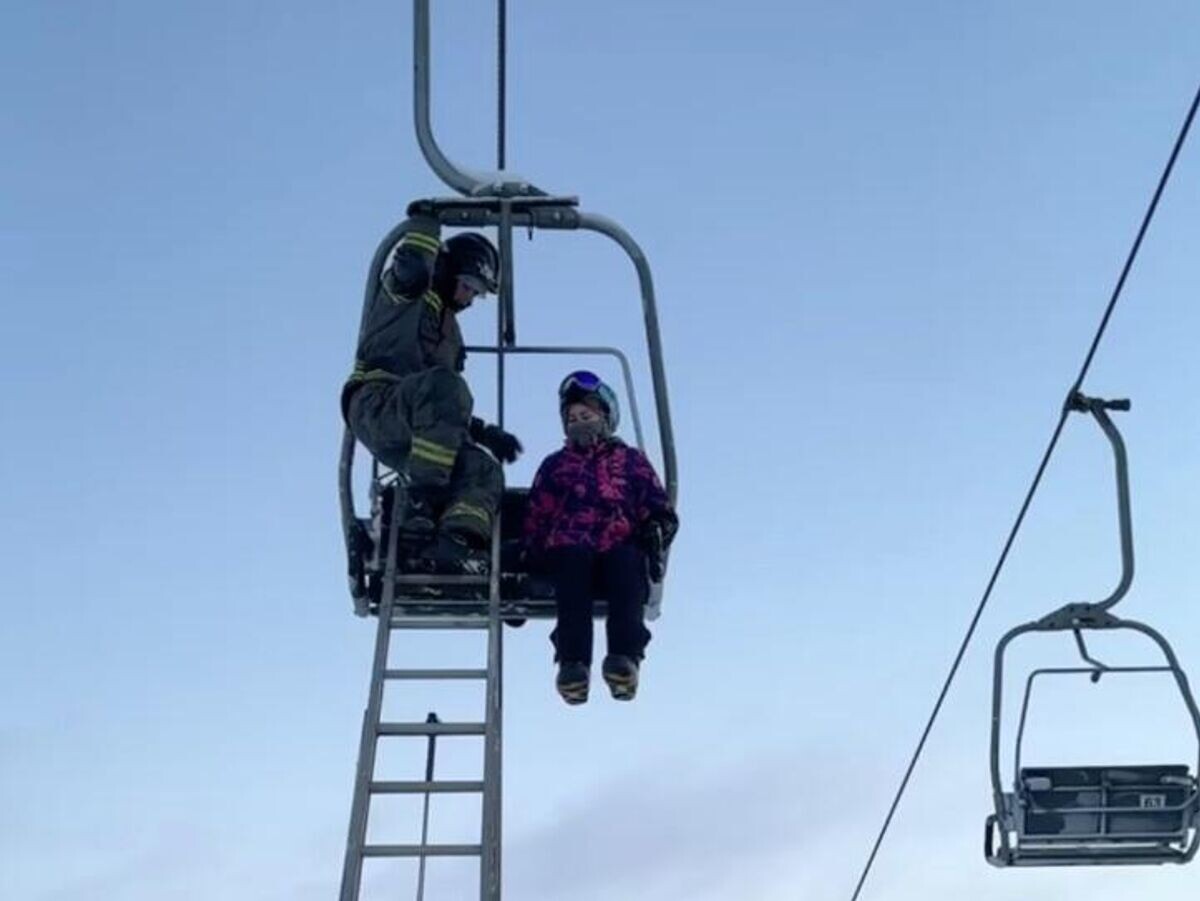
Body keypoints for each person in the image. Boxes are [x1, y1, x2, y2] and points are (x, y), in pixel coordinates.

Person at [341, 216, 522, 573]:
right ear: (450, 269)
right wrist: (426, 225)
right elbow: (410, 265)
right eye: (468, 285)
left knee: (481, 467)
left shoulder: (451, 334)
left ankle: (456, 543)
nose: (469, 298)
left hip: (417, 423)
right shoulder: (410, 292)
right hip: (379, 402)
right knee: (445, 387)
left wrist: (482, 433)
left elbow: (442, 410)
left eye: (477, 293)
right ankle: (419, 509)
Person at [522, 371, 678, 704]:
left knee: (627, 568)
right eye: (573, 418)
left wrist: (657, 527)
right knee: (571, 572)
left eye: (587, 416)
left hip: (618, 541)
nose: (580, 422)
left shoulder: (630, 461)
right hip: (569, 543)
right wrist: (530, 553)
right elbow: (538, 510)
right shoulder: (555, 465)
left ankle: (624, 658)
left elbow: (654, 500)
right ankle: (573, 663)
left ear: (605, 417)